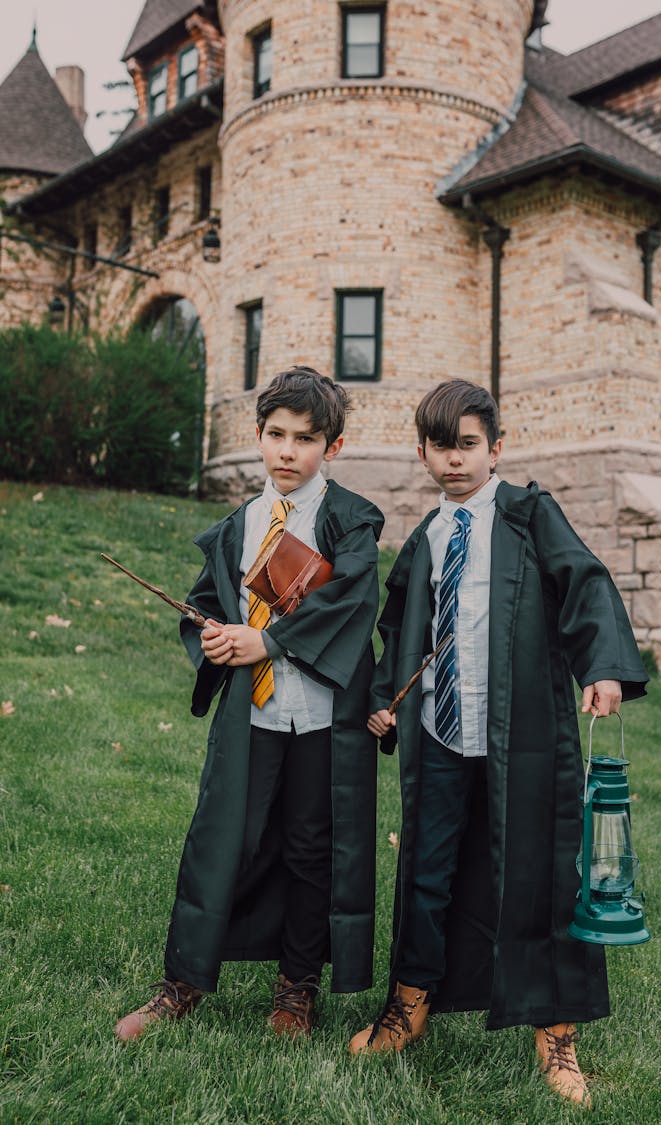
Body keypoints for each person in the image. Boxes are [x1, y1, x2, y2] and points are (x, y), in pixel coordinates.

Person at [349, 380, 648, 1107]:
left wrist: (602, 665)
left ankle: (556, 1033)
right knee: (426, 866)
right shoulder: (426, 537)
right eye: (441, 447)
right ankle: (410, 1004)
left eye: (469, 445)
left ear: (496, 448)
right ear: (422, 451)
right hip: (443, 732)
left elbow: (584, 583)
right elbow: (399, 629)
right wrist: (385, 698)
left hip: (526, 732)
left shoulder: (528, 513)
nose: (455, 460)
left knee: (546, 875)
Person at [115, 366, 384, 1042]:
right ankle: (181, 983)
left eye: (306, 438)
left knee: (309, 847)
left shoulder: (350, 520)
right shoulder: (239, 527)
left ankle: (297, 986)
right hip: (255, 717)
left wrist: (266, 639)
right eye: (277, 435)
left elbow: (349, 599)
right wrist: (209, 635)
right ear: (257, 436)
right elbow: (209, 602)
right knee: (219, 840)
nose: (289, 451)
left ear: (335, 446)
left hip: (323, 720)